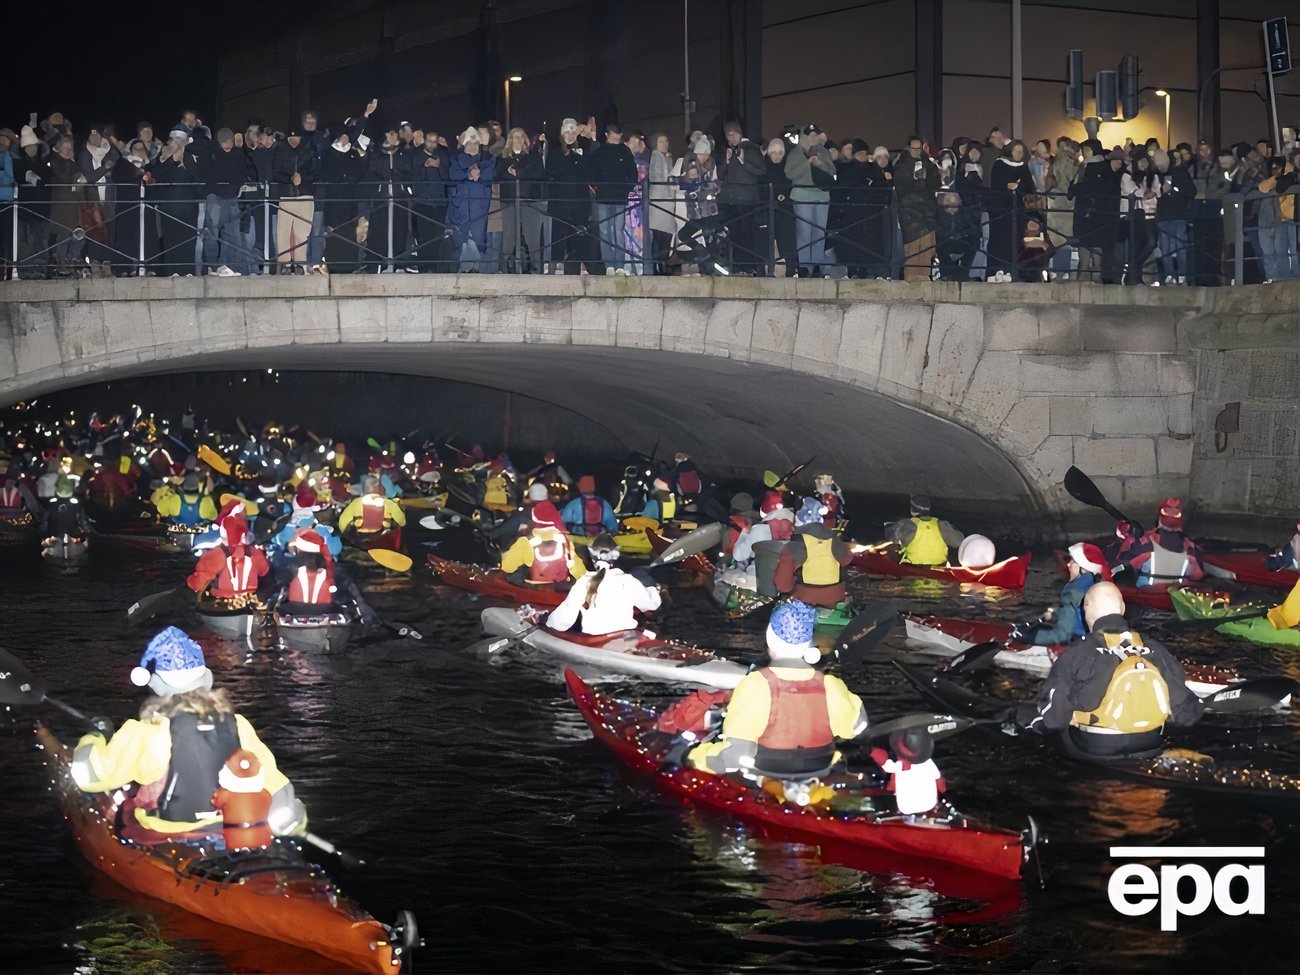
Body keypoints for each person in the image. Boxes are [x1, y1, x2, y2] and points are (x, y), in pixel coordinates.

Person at [71, 627, 305, 843]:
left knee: (125, 808)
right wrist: (290, 820)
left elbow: (91, 777)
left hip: (162, 833)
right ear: (206, 679)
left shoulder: (147, 732)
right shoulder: (238, 725)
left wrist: (96, 736)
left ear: (156, 685)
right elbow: (276, 788)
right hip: (226, 827)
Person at [1015, 582, 1205, 756]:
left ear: (1085, 610)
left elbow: (1052, 718)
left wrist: (1025, 723)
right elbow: (1187, 712)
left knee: (1029, 718)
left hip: (1097, 747)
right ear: (1122, 608)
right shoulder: (1154, 648)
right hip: (1150, 743)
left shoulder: (1078, 652)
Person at [687, 601, 867, 785]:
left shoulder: (756, 684)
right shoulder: (830, 684)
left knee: (692, 754)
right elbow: (855, 727)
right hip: (820, 764)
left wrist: (694, 757)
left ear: (769, 637)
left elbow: (737, 751)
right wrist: (840, 691)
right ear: (809, 644)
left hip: (764, 769)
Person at [546, 534, 661, 636]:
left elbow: (564, 617)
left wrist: (549, 622)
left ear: (592, 556)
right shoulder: (628, 580)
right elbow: (652, 605)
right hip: (625, 636)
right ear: (616, 555)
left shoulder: (585, 581)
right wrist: (653, 589)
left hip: (596, 637)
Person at [1019, 542, 1111, 646]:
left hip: (1079, 644)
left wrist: (1029, 637)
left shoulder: (1073, 593)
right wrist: (1055, 613)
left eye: (1072, 561)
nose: (1068, 565)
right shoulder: (1097, 586)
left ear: (1082, 568)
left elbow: (1063, 634)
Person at [773, 498, 853, 607]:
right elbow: (847, 559)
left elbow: (783, 585)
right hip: (835, 596)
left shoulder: (794, 546)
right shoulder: (834, 539)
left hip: (805, 598)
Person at [187, 501, 271, 605]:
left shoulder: (217, 555)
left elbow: (197, 584)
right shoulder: (254, 552)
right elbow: (264, 570)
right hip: (249, 599)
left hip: (223, 601)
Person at [499, 501, 585, 589]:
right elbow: (580, 572)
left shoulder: (525, 542)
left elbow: (507, 567)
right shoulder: (566, 541)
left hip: (534, 590)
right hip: (560, 589)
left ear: (534, 521)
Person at [447, 128, 497, 272]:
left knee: (478, 238)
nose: (472, 146)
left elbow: (490, 175)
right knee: (460, 239)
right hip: (461, 206)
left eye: (475, 143)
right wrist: (468, 173)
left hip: (480, 206)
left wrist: (479, 174)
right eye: (469, 143)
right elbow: (453, 175)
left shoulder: (487, 159)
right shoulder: (456, 159)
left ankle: (476, 270)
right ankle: (462, 270)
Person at [1124, 498, 1204, 586]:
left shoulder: (1144, 542)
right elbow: (1197, 576)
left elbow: (1127, 568)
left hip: (1148, 592)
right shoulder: (1190, 547)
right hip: (1174, 592)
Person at [893, 135, 940, 282]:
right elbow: (901, 186)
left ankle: (924, 275)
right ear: (908, 148)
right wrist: (914, 179)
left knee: (927, 244)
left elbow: (936, 182)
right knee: (912, 244)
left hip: (927, 209)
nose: (915, 151)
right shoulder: (901, 165)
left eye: (918, 148)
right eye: (913, 148)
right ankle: (911, 276)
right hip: (909, 209)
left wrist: (927, 178)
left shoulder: (928, 164)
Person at [869, 729, 946, 818]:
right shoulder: (928, 764)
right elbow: (941, 785)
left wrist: (872, 751)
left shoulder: (906, 765)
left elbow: (888, 765)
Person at [889, 493, 963, 566]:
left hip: (912, 571)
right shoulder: (942, 525)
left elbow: (889, 541)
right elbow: (959, 542)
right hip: (939, 570)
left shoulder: (904, 524)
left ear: (912, 510)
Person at [338, 474, 406, 545]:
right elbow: (402, 521)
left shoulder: (355, 503)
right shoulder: (388, 503)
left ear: (366, 488)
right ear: (377, 487)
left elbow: (342, 524)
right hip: (382, 537)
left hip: (361, 538)